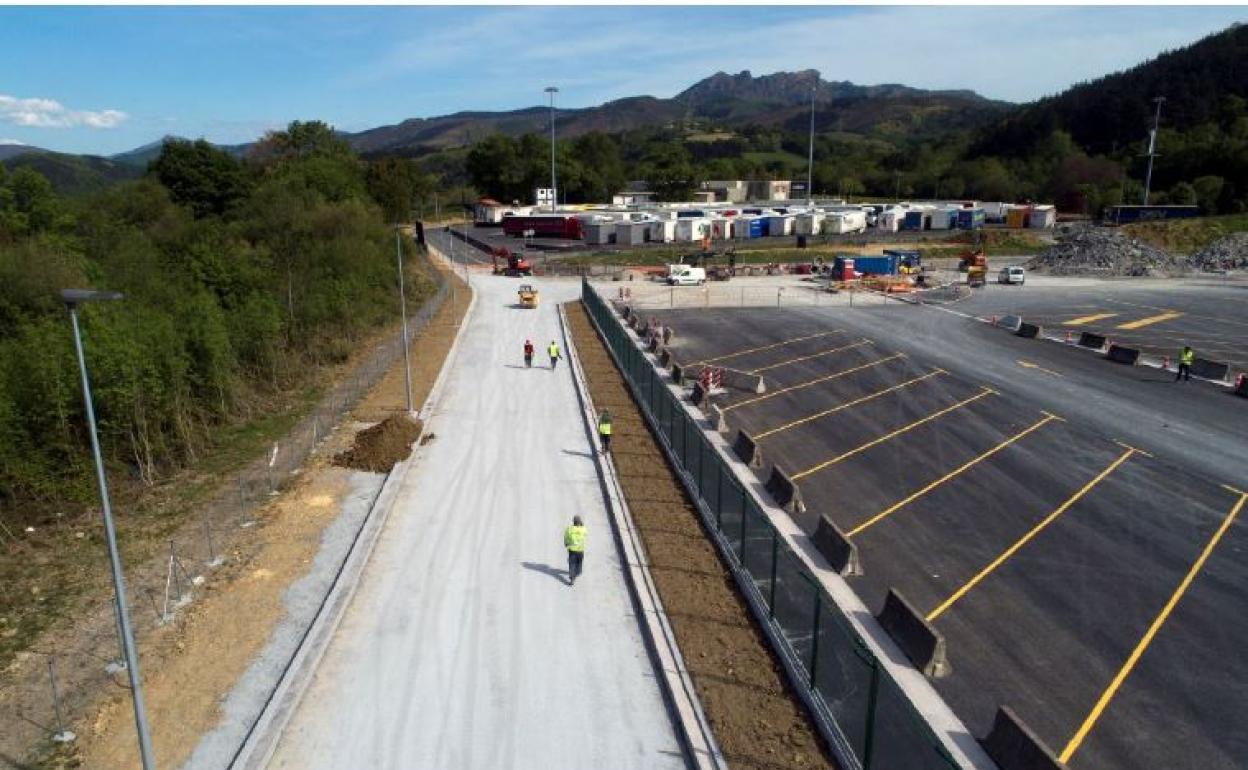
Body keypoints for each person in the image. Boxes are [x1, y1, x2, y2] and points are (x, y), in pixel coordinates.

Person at [564, 515, 586, 585]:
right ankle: (578, 572)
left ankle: (572, 578)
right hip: (580, 550)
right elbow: (586, 533)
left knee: (572, 564)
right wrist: (581, 525)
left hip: (572, 550)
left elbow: (566, 537)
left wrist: (566, 543)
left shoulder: (569, 529)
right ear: (580, 522)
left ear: (573, 522)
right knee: (579, 562)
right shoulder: (583, 529)